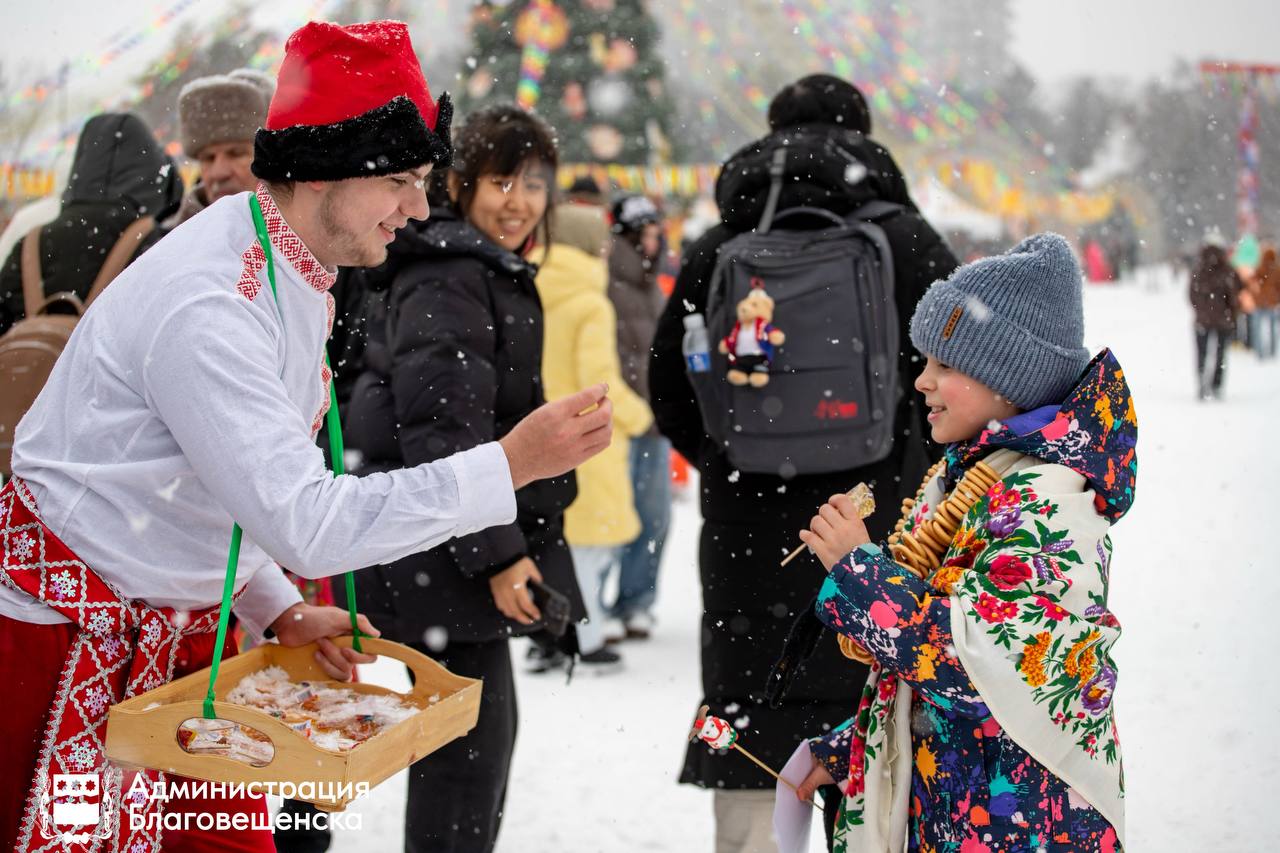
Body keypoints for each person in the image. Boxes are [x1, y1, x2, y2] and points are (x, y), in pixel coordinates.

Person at [0, 23, 612, 853]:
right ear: (322, 171)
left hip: (180, 634)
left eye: (426, 179)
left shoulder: (292, 264)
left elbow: (206, 482)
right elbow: (307, 520)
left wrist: (276, 605)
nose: (420, 207)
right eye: (400, 178)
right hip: (59, 638)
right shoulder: (211, 303)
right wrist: (509, 463)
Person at [648, 73, 958, 850]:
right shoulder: (907, 240)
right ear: (864, 133)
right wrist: (910, 470)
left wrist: (732, 458)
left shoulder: (720, 246)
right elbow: (959, 381)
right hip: (880, 528)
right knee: (874, 740)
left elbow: (667, 381)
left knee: (753, 733)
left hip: (744, 540)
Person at [794, 233, 1132, 851]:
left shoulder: (1046, 502)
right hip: (964, 808)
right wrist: (856, 748)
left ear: (1010, 379)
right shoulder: (969, 478)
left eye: (945, 366)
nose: (921, 382)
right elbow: (940, 682)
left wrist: (857, 569)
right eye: (926, 362)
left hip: (1026, 826)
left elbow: (980, 671)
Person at [341, 103, 594, 852]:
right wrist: (498, 554)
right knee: (465, 764)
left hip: (442, 544)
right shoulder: (451, 272)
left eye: (535, 183)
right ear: (460, 183)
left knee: (474, 754)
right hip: (438, 550)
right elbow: (444, 434)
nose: (519, 200)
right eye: (501, 179)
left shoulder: (474, 263)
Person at [535, 202, 653, 666]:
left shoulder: (533, 286)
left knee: (563, 542)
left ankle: (553, 636)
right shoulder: (589, 301)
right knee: (591, 545)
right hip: (589, 439)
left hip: (541, 433)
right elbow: (598, 380)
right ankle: (585, 636)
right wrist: (640, 416)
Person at [0, 112, 182, 336]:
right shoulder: (157, 244)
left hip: (33, 369)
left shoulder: (31, 243)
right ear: (149, 169)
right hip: (117, 370)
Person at [606, 193, 671, 640]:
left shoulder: (654, 287)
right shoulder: (605, 282)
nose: (651, 243)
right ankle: (593, 604)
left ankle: (636, 601)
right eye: (643, 234)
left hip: (654, 419)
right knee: (608, 519)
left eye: (655, 233)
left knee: (653, 518)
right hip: (615, 420)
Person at [168, 69, 274, 226]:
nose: (219, 173)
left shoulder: (314, 223)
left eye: (236, 153)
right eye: (208, 158)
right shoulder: (173, 245)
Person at [1189, 242, 1244, 400]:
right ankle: (1216, 385)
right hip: (1223, 320)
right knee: (1220, 355)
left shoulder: (1199, 269)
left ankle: (1201, 382)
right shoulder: (1227, 270)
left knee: (1202, 353)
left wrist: (1200, 309)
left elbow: (1191, 294)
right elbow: (1236, 291)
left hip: (1202, 320)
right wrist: (1231, 312)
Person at [1251, 244, 1279, 360]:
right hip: (1272, 304)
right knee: (1272, 329)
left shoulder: (1260, 268)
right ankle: (1272, 351)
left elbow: (1252, 282)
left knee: (1257, 329)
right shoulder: (1277, 269)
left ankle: (1260, 353)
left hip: (1260, 303)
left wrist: (1256, 295)